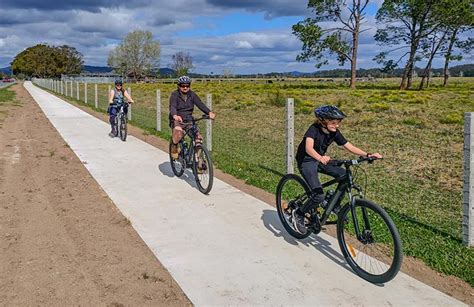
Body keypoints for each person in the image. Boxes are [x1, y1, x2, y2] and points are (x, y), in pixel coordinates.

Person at [292, 105, 383, 235]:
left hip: (321, 159)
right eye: (333, 122)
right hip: (307, 161)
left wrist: (367, 154)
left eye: (338, 123)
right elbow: (308, 148)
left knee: (344, 174)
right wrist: (320, 158)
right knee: (318, 195)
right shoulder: (313, 130)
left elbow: (349, 146)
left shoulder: (334, 132)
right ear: (323, 120)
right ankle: (299, 214)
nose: (337, 126)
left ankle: (334, 204)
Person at [169, 76, 216, 159]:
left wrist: (209, 112)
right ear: (179, 86)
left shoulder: (192, 95)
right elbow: (172, 106)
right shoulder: (175, 95)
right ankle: (174, 146)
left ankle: (198, 162)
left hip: (189, 119)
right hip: (177, 119)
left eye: (187, 86)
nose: (185, 88)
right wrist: (175, 115)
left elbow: (200, 104)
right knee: (178, 133)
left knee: (198, 138)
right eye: (183, 86)